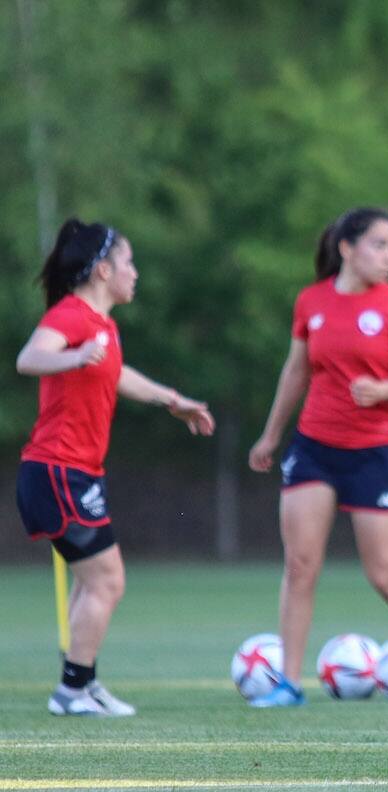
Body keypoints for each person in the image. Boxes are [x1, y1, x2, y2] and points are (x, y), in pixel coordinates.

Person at [247, 206, 388, 707]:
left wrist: (380, 389)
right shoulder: (311, 301)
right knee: (300, 565)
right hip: (314, 448)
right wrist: (270, 435)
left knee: (385, 573)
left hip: (377, 451)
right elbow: (296, 372)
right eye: (379, 245)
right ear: (347, 247)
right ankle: (286, 683)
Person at [16, 218, 216, 717]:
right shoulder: (73, 316)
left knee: (92, 583)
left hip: (74, 473)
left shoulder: (102, 325)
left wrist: (172, 400)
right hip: (58, 471)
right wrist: (76, 354)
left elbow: (116, 373)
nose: (135, 272)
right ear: (103, 269)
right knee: (108, 581)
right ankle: (71, 691)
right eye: (128, 262)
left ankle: (82, 684)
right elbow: (30, 357)